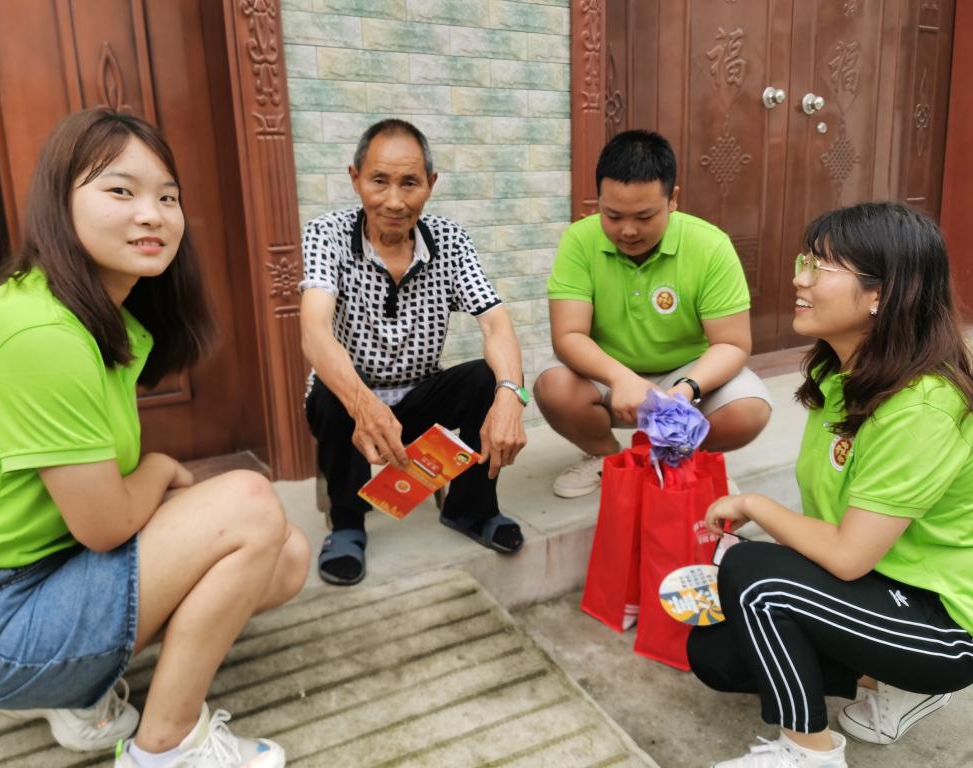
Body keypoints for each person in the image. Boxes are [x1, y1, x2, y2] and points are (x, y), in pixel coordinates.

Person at [0, 109, 311, 768]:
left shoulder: (70, 312)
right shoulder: (40, 336)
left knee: (284, 556)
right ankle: (164, 748)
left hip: (30, 576)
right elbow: (106, 526)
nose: (153, 215)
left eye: (168, 197)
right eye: (121, 190)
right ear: (59, 204)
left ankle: (79, 692)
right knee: (250, 503)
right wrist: (162, 468)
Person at [689, 202, 973, 768]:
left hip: (944, 623)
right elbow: (838, 524)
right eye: (804, 262)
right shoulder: (839, 374)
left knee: (755, 577)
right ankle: (891, 684)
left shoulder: (922, 408)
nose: (799, 279)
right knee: (716, 652)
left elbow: (846, 556)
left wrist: (754, 504)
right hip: (881, 578)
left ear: (880, 294)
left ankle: (810, 753)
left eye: (819, 268)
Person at [300, 119, 527, 587]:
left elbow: (494, 321)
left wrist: (511, 395)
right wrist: (364, 405)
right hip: (352, 399)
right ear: (355, 179)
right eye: (379, 181)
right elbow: (315, 331)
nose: (394, 201)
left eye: (409, 183)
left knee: (487, 379)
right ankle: (347, 524)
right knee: (329, 392)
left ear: (431, 184)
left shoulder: (450, 239)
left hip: (419, 396)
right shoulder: (327, 233)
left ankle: (471, 508)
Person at [535, 129, 772, 498]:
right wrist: (620, 377)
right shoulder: (579, 240)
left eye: (645, 216)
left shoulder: (710, 245)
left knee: (748, 410)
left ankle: (680, 459)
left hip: (685, 371)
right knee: (554, 388)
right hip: (606, 373)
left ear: (672, 199)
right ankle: (607, 457)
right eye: (612, 215)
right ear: (599, 200)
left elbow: (732, 343)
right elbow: (568, 335)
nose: (628, 231)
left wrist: (687, 389)